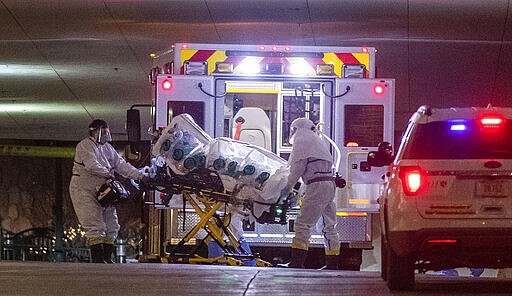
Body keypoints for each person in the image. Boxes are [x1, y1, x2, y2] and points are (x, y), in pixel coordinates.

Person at [69, 119, 148, 263]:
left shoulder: (107, 149)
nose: (105, 135)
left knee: (112, 225)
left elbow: (121, 165)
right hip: (84, 189)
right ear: (94, 131)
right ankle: (99, 260)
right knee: (95, 224)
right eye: (103, 132)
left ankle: (106, 258)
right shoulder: (85, 146)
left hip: (104, 190)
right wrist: (109, 174)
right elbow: (92, 165)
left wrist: (140, 176)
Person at [280, 117, 340, 269]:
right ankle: (333, 263)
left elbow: (297, 170)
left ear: (296, 129)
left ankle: (297, 262)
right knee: (329, 226)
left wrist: (286, 188)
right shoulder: (318, 142)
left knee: (302, 224)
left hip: (317, 186)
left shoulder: (303, 142)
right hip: (329, 184)